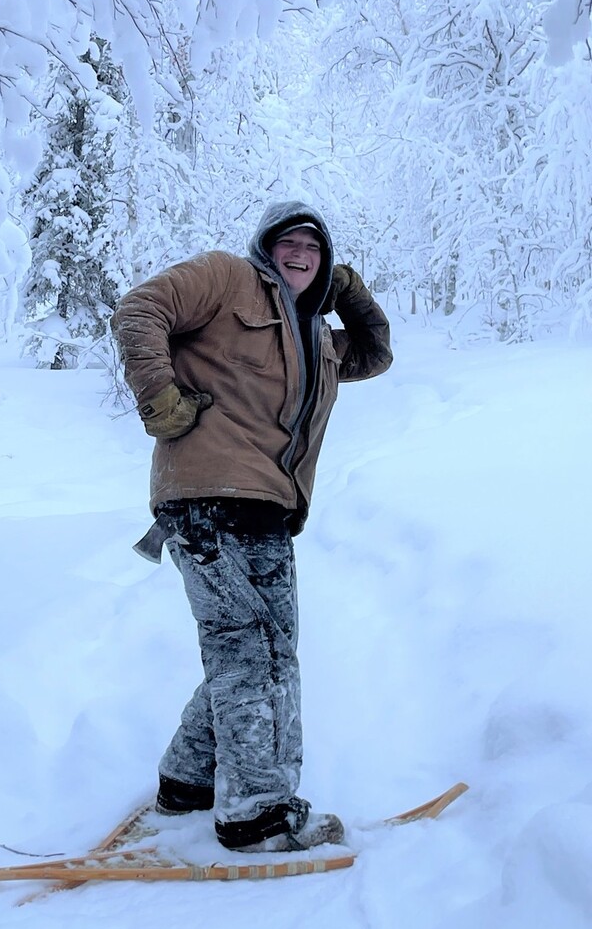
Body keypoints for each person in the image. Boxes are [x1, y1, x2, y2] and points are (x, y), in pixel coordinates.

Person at [111, 201, 392, 854]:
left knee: (250, 649)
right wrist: (159, 395)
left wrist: (344, 289)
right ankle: (256, 812)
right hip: (211, 497)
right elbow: (139, 309)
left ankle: (189, 780)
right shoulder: (226, 278)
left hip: (262, 504)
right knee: (255, 651)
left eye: (314, 247)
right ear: (266, 247)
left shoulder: (316, 336)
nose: (300, 253)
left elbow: (375, 353)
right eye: (288, 241)